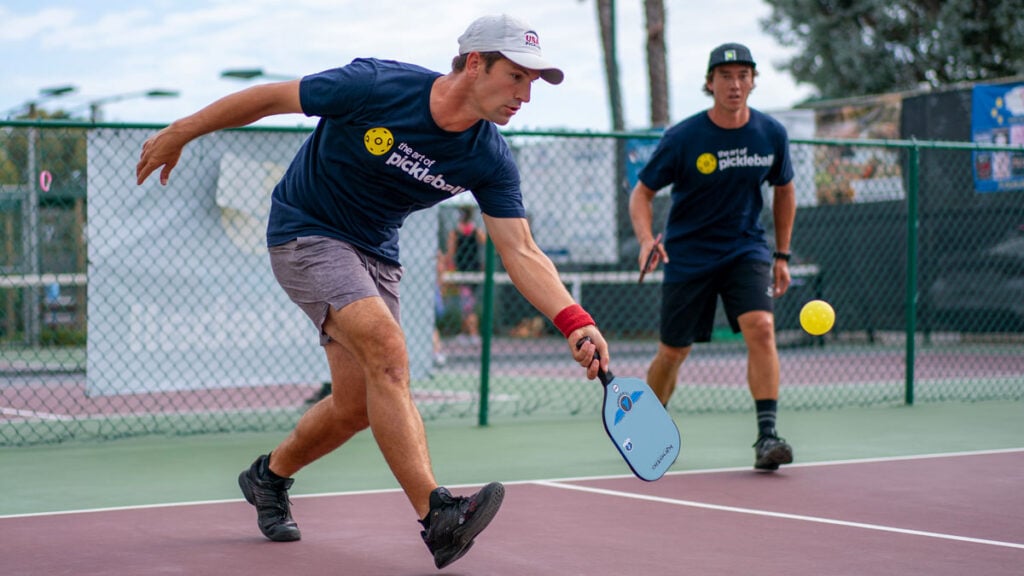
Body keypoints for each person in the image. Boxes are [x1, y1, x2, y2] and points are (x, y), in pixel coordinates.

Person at [135, 14, 609, 569]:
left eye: (533, 82)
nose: (525, 95)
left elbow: (521, 250)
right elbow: (271, 98)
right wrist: (182, 129)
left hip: (377, 255)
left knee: (355, 407)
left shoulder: (489, 155)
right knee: (389, 351)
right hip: (306, 230)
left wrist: (575, 320)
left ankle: (268, 478)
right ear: (475, 62)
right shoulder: (376, 85)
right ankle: (439, 518)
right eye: (516, 76)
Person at [628, 42, 797, 472]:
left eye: (743, 75)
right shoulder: (683, 138)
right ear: (710, 83)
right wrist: (647, 239)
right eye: (725, 76)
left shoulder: (771, 134)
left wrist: (781, 254)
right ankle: (648, 431)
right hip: (688, 255)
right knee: (672, 352)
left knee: (760, 328)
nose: (735, 84)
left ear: (753, 81)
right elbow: (642, 193)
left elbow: (785, 189)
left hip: (746, 248)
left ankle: (767, 436)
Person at [445, 205, 487, 342]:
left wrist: (449, 265)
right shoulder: (474, 231)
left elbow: (451, 252)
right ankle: (467, 332)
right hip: (470, 270)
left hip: (467, 270)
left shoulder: (458, 232)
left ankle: (472, 333)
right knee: (467, 303)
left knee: (468, 304)